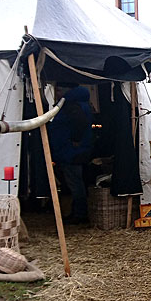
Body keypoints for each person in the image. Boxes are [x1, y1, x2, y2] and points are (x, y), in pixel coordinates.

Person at [48, 84, 94, 224]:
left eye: (58, 89)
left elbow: (80, 123)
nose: (56, 92)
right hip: (74, 150)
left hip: (71, 151)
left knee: (75, 183)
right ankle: (78, 212)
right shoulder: (80, 103)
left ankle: (80, 214)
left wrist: (75, 140)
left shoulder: (71, 105)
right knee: (76, 182)